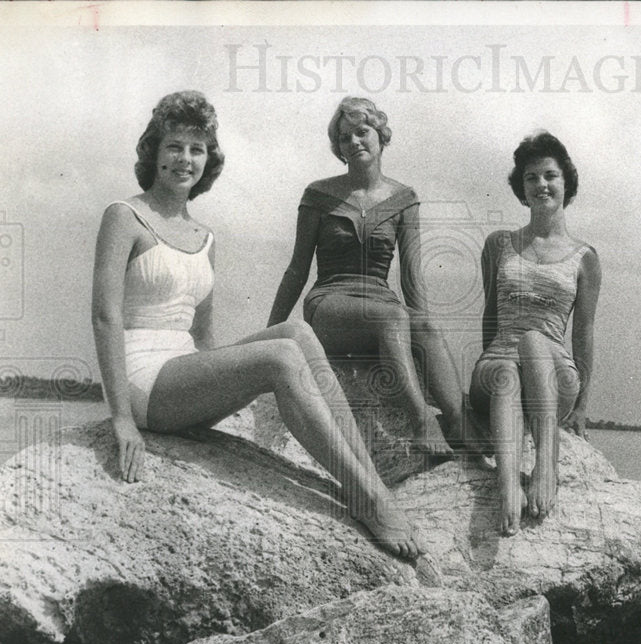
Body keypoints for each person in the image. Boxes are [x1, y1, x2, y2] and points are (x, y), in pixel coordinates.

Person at [91, 91, 421, 559]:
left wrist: (221, 383)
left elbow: (202, 337)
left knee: (298, 333)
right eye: (175, 147)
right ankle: (369, 499)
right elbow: (105, 318)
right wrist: (122, 420)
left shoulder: (204, 237)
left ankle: (370, 483)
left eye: (197, 149)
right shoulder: (124, 216)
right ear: (154, 152)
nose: (186, 159)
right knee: (281, 356)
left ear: (209, 160)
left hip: (182, 375)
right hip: (142, 380)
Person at [267, 97, 464, 457]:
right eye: (344, 138)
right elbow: (297, 268)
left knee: (423, 325)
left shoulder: (404, 198)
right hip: (329, 306)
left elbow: (412, 276)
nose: (354, 142)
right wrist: (271, 333)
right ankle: (422, 424)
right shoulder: (319, 195)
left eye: (362, 132)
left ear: (380, 135)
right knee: (391, 316)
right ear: (338, 148)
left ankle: (458, 423)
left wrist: (420, 328)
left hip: (382, 307)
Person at [470, 132, 602, 535]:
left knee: (532, 340)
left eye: (550, 175)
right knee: (507, 368)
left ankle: (546, 463)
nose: (541, 184)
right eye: (531, 178)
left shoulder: (586, 258)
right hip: (500, 368)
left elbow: (583, 334)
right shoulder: (499, 244)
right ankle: (508, 483)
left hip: (553, 372)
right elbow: (489, 317)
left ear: (566, 183)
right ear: (521, 188)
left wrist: (580, 407)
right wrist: (490, 362)